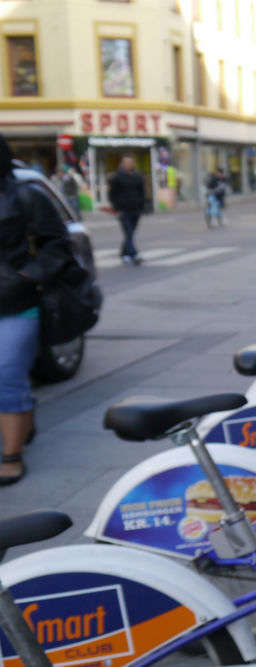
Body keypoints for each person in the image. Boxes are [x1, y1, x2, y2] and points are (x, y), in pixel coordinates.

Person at [0, 134, 74, 484]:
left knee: (6, 376)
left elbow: (58, 245)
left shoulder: (27, 196)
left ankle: (11, 455)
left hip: (16, 303)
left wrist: (26, 276)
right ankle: (23, 416)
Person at [107, 155, 145, 264]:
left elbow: (141, 192)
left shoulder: (137, 176)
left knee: (131, 233)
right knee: (128, 232)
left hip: (135, 209)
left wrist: (142, 207)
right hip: (123, 210)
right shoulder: (117, 177)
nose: (129, 165)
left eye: (131, 163)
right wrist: (116, 209)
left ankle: (124, 253)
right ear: (123, 164)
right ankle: (134, 254)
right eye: (127, 163)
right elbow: (112, 194)